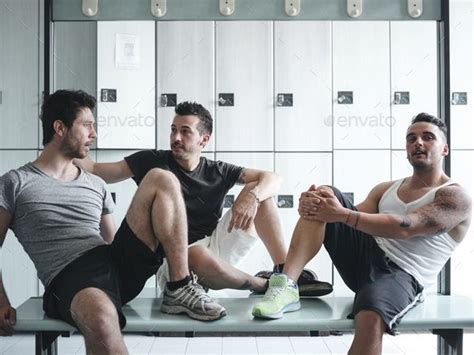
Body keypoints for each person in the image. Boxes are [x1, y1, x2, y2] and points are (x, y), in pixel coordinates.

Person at [0, 90, 224, 354]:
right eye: (87, 125)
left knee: (161, 177)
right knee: (101, 316)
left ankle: (179, 286)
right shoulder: (16, 183)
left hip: (114, 263)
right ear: (59, 128)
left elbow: (112, 241)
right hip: (69, 276)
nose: (93, 134)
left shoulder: (95, 183)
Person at [252, 113, 472, 355]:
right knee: (325, 194)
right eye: (411, 138)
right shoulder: (386, 189)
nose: (418, 142)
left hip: (402, 275)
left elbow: (406, 227)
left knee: (369, 318)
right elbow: (349, 217)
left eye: (428, 137)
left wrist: (340, 214)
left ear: (445, 149)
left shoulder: (454, 197)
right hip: (364, 258)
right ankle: (286, 286)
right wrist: (317, 206)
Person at [75, 101, 323, 300]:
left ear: (204, 139)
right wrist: (68, 144)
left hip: (214, 248)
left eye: (185, 131)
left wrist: (252, 197)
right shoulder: (152, 161)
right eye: (173, 130)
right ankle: (262, 284)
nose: (176, 138)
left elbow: (273, 177)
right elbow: (97, 170)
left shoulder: (218, 170)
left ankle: (286, 276)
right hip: (175, 264)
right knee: (193, 255)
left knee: (258, 190)